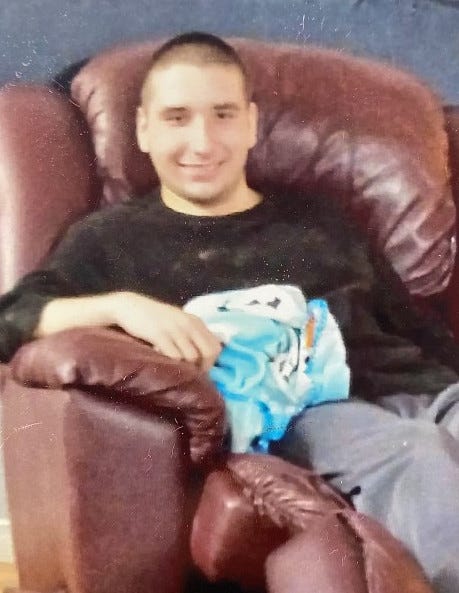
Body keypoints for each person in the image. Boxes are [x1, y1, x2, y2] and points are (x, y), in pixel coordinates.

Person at [1, 31, 459, 592]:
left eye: (222, 115)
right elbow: (11, 320)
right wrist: (121, 307)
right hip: (316, 412)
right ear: (143, 129)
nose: (202, 142)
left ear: (249, 124)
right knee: (422, 457)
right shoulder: (112, 241)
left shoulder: (319, 218)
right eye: (177, 118)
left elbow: (414, 328)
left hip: (424, 390)